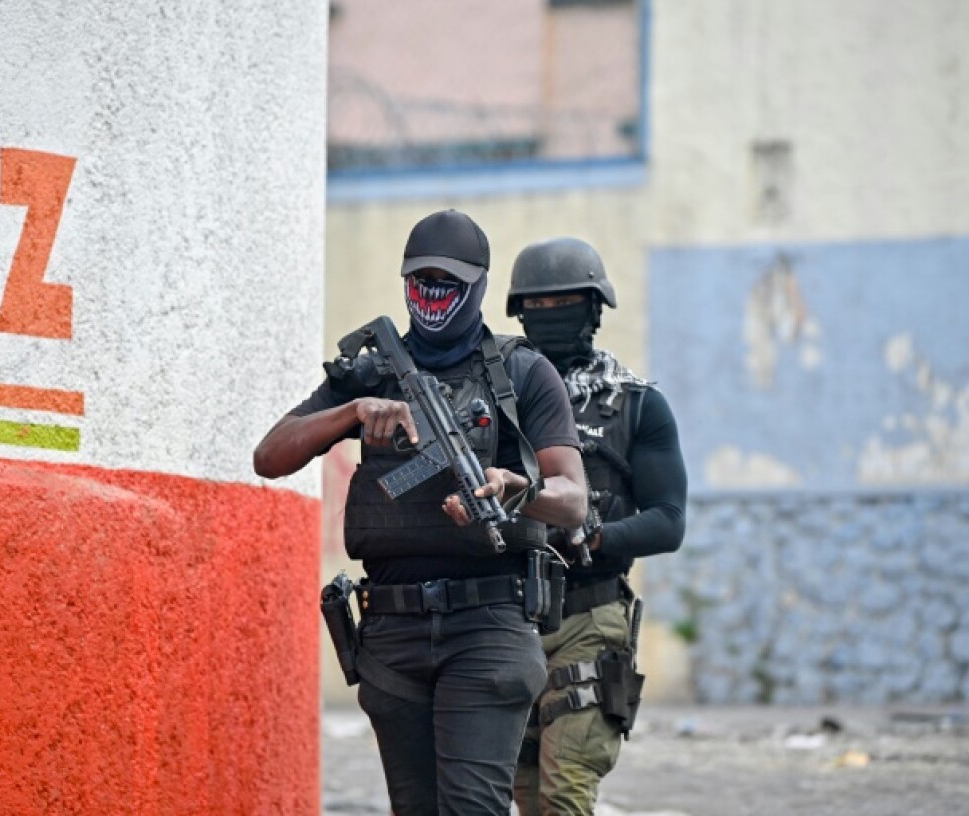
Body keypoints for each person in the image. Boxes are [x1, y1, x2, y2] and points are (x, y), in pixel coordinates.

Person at [253, 210, 587, 816]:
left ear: (478, 284)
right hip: (392, 633)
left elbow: (572, 497)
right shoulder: (371, 370)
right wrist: (353, 410)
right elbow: (270, 456)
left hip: (487, 625)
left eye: (449, 281)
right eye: (422, 278)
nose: (433, 293)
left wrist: (514, 488)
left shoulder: (520, 373)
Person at [507, 237, 688, 816]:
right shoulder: (494, 401)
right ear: (518, 314)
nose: (551, 316)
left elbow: (668, 522)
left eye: (565, 302)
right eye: (539, 305)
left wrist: (594, 534)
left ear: (594, 308)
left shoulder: (634, 406)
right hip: (504, 619)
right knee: (522, 795)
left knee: (567, 795)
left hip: (589, 614)